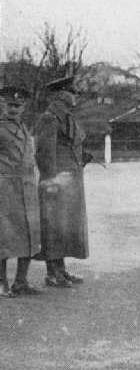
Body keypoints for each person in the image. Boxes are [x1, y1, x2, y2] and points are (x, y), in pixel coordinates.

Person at [35, 71, 90, 288]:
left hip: (71, 182)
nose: (75, 95)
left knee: (65, 226)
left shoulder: (67, 118)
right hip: (56, 182)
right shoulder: (49, 118)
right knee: (54, 227)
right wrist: (50, 181)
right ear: (59, 94)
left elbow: (70, 145)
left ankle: (62, 270)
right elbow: (43, 152)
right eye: (71, 92)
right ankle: (51, 273)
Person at [0, 64, 43, 297]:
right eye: (9, 104)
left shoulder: (24, 129)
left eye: (19, 105)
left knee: (29, 235)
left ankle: (21, 281)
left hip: (27, 188)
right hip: (5, 188)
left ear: (24, 108)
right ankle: (1, 283)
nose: (14, 108)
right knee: (4, 237)